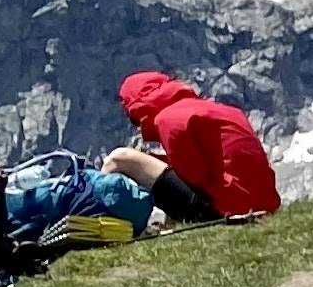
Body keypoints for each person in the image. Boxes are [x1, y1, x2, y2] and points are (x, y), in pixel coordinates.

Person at [105, 73, 280, 223]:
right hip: (261, 205)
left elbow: (195, 177)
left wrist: (149, 169)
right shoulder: (213, 109)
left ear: (139, 108)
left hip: (229, 209)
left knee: (120, 158)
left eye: (133, 119)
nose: (137, 127)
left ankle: (95, 219)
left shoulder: (168, 119)